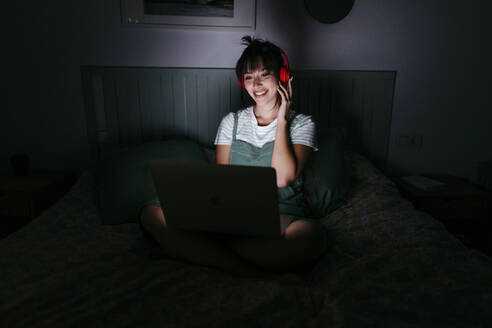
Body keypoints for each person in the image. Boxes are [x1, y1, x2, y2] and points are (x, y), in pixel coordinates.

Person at [140, 36, 327, 276]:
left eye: (264, 74)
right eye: (249, 77)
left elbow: (282, 178)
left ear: (282, 77)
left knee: (312, 238)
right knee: (151, 214)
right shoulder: (231, 122)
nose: (256, 84)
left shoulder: (302, 123)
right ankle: (247, 269)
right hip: (236, 214)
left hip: (283, 212)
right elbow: (223, 182)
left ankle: (199, 251)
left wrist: (281, 119)